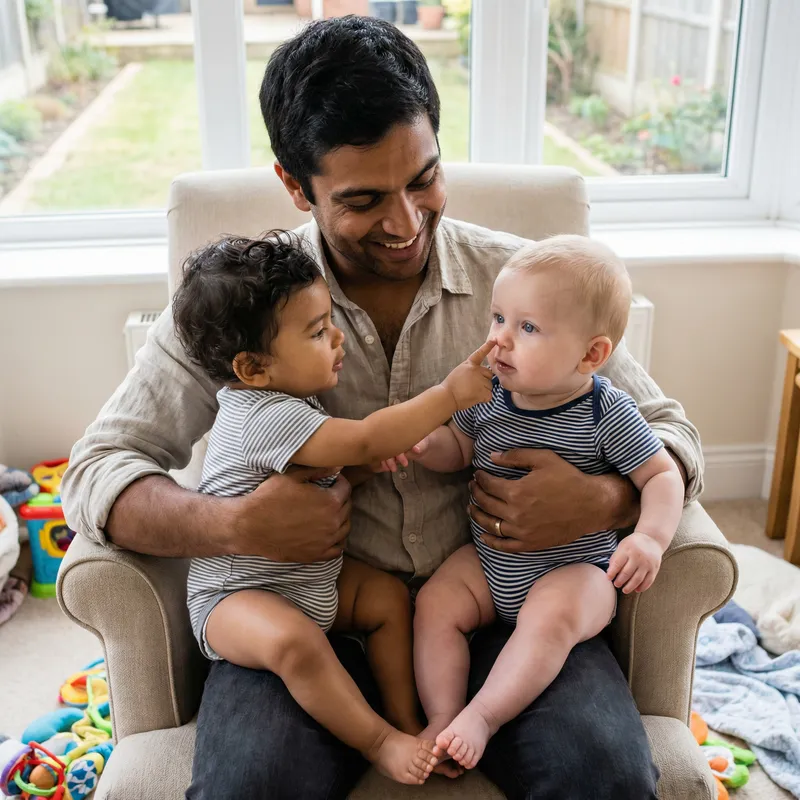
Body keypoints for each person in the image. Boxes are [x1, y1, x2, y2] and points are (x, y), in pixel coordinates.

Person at [62, 15, 704, 800]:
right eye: (365, 199)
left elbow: (667, 432)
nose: (405, 222)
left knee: (602, 773)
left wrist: (602, 497)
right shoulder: (246, 306)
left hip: (510, 600)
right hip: (307, 614)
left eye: (423, 178)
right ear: (296, 186)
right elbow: (98, 469)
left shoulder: (529, 284)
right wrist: (233, 526)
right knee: (251, 786)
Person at [172, 231, 494, 784]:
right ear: (253, 368)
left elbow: (336, 466)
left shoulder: (293, 401)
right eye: (318, 332)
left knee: (387, 600)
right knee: (295, 644)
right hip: (237, 598)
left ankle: (410, 720)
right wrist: (450, 396)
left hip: (306, 584)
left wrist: (362, 471)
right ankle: (380, 740)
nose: (337, 339)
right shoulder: (263, 412)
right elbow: (366, 437)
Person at [409, 235, 685, 771]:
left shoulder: (605, 411)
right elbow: (459, 448)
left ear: (592, 354)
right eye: (498, 319)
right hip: (491, 565)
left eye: (527, 328)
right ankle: (444, 714)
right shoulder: (487, 394)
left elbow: (660, 476)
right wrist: (425, 442)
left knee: (552, 614)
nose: (501, 341)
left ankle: (483, 716)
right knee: (436, 603)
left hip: (574, 572)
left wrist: (649, 538)